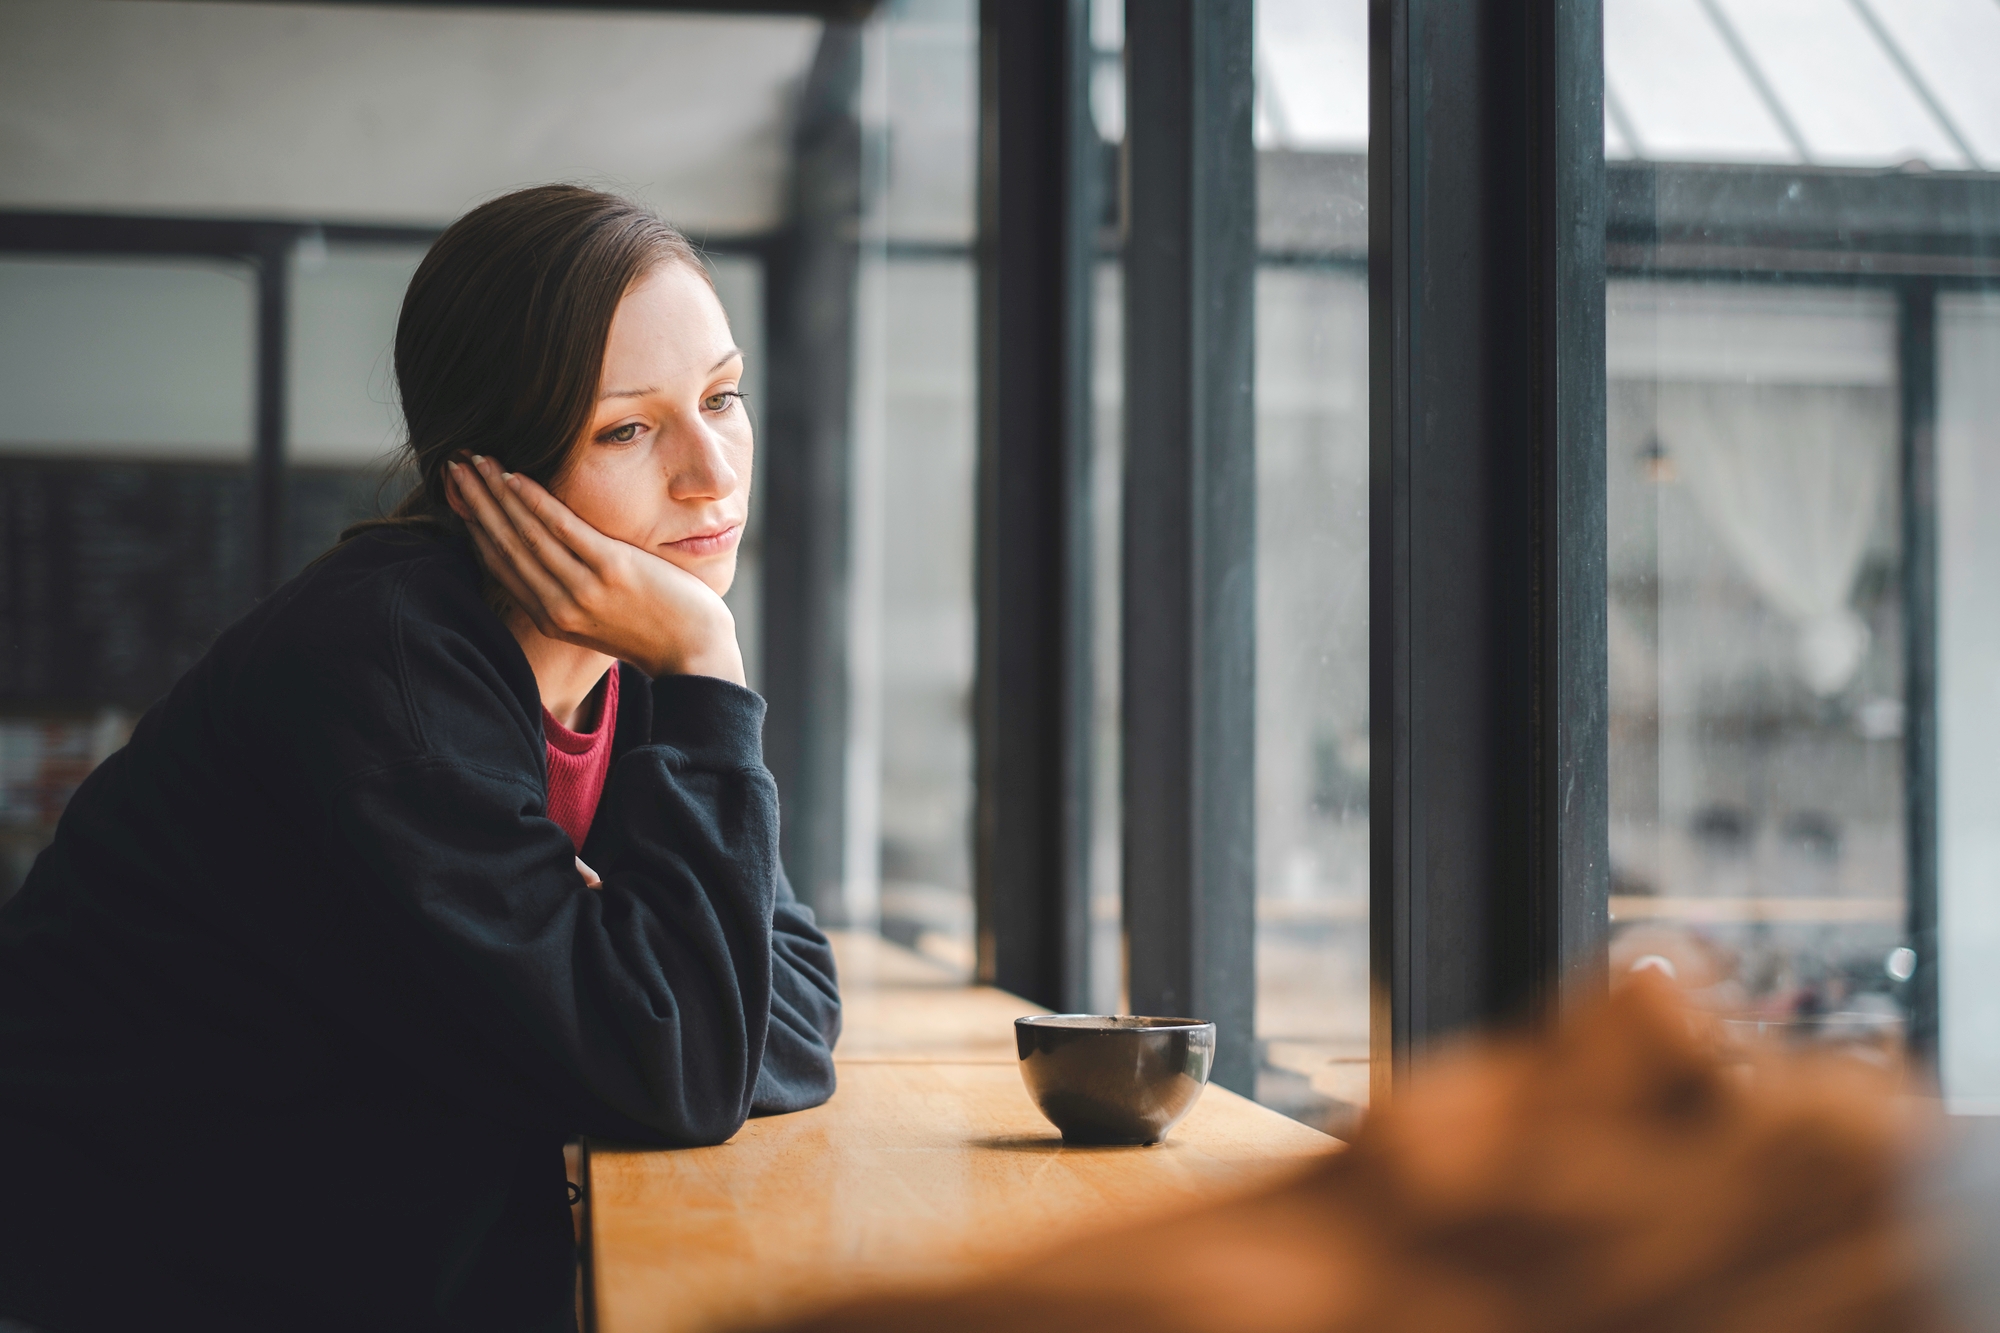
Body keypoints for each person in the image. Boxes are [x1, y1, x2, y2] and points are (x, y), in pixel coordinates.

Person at [0, 185, 840, 1333]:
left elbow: (788, 1006)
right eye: (627, 428)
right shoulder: (383, 666)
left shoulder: (623, 663)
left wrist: (652, 1008)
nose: (710, 472)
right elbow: (680, 1068)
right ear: (490, 472)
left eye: (721, 396)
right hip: (150, 1261)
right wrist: (706, 655)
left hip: (372, 1238)